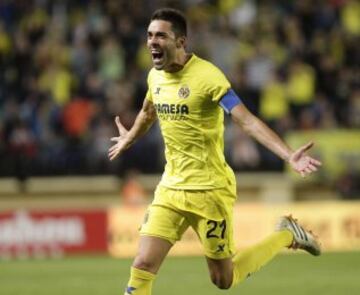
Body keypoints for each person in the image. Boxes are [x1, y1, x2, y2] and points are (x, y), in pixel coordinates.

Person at [108, 8, 322, 295]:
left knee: (223, 279)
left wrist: (287, 154)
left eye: (161, 35)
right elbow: (148, 112)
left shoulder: (208, 77)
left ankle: (286, 234)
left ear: (181, 41)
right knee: (143, 264)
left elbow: (245, 119)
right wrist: (130, 138)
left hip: (210, 191)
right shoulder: (154, 77)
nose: (152, 42)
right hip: (170, 188)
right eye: (149, 35)